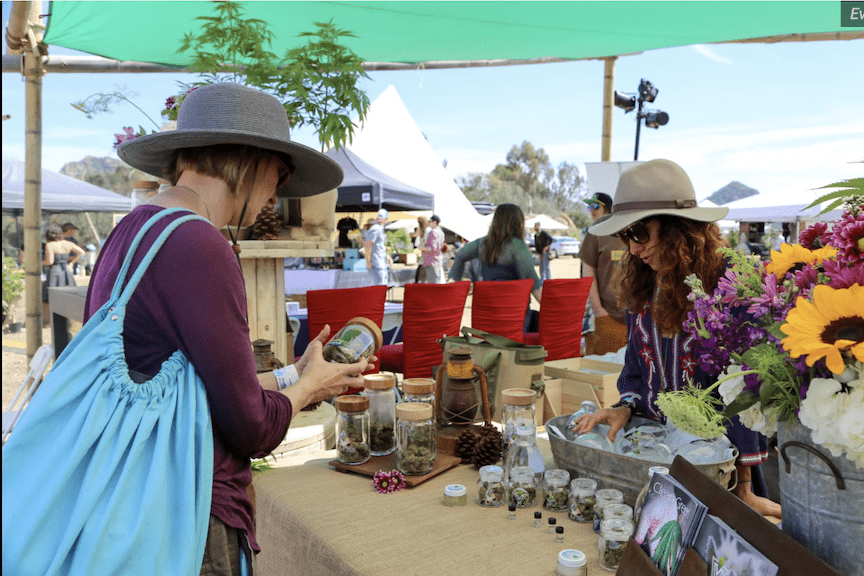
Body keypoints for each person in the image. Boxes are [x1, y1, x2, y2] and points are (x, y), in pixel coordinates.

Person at [87, 83, 369, 575]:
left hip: (127, 497)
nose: (270, 199)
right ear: (252, 162)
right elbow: (251, 428)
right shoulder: (199, 244)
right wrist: (309, 388)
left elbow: (181, 384)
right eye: (276, 180)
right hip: (189, 510)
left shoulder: (133, 233)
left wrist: (289, 376)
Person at [572, 159, 780, 518]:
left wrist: (743, 487)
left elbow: (750, 390)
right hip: (658, 459)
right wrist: (625, 407)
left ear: (676, 228)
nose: (633, 249)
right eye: (626, 236)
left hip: (721, 472)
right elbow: (636, 367)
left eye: (639, 233)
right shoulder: (642, 285)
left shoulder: (730, 286)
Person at [449, 204, 542, 329]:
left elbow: (460, 255)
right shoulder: (518, 246)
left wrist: (455, 283)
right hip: (515, 321)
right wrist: (555, 308)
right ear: (518, 223)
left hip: (486, 320)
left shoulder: (482, 243)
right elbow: (533, 285)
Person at [578, 192, 628, 355]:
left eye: (595, 206)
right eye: (589, 206)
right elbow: (587, 271)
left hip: (640, 316)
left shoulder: (635, 224)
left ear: (607, 207)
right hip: (608, 315)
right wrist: (598, 308)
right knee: (606, 373)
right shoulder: (595, 231)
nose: (591, 210)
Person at [42, 223, 85, 324]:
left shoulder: (50, 245)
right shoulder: (68, 243)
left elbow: (50, 262)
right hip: (66, 272)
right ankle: (67, 322)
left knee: (54, 299)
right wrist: (71, 263)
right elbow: (82, 252)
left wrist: (40, 262)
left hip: (55, 272)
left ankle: (58, 323)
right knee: (67, 297)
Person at [364, 208, 389, 286]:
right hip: (376, 263)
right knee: (380, 286)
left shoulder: (379, 228)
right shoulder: (376, 229)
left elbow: (378, 246)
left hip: (380, 261)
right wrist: (368, 261)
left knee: (382, 286)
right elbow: (368, 245)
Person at [419, 214, 445, 284]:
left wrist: (422, 248)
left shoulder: (433, 232)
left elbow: (432, 248)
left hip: (431, 261)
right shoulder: (441, 232)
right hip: (438, 259)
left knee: (433, 283)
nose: (428, 223)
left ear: (435, 222)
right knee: (437, 281)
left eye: (430, 221)